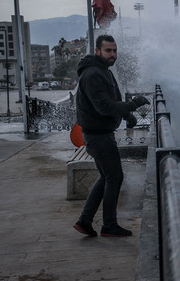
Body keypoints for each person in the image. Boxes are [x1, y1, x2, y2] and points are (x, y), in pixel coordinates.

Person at [73, 34, 149, 237]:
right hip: (98, 136)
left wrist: (127, 114)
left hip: (100, 134)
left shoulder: (104, 71)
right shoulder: (92, 74)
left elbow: (112, 99)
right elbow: (104, 107)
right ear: (97, 51)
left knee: (106, 177)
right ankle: (109, 225)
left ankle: (84, 221)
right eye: (108, 50)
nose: (112, 54)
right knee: (114, 177)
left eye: (115, 50)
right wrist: (134, 104)